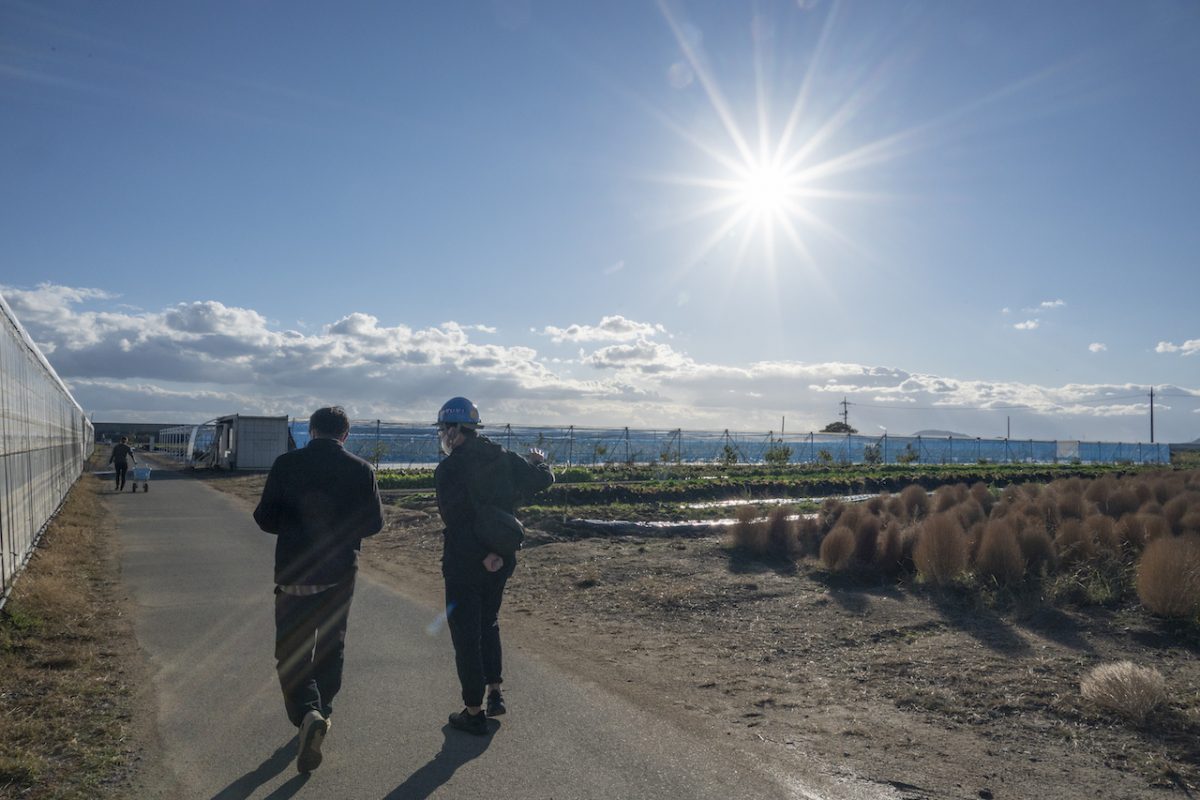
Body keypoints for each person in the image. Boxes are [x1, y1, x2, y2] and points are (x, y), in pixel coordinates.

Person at [252, 406, 383, 773]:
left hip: (294, 572)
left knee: (292, 651)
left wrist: (295, 529)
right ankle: (322, 711)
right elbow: (374, 523)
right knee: (330, 646)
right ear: (345, 434)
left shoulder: (286, 464)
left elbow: (264, 518)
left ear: (311, 430)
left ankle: (308, 713)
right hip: (339, 574)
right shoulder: (361, 469)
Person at [433, 396, 554, 735]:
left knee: (466, 635)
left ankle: (473, 713)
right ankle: (495, 694)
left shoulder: (449, 468)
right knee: (490, 621)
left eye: (443, 429)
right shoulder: (503, 456)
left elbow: (455, 520)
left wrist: (480, 554)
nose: (442, 435)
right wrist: (539, 461)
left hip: (464, 561)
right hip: (503, 555)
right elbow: (542, 480)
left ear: (455, 430)